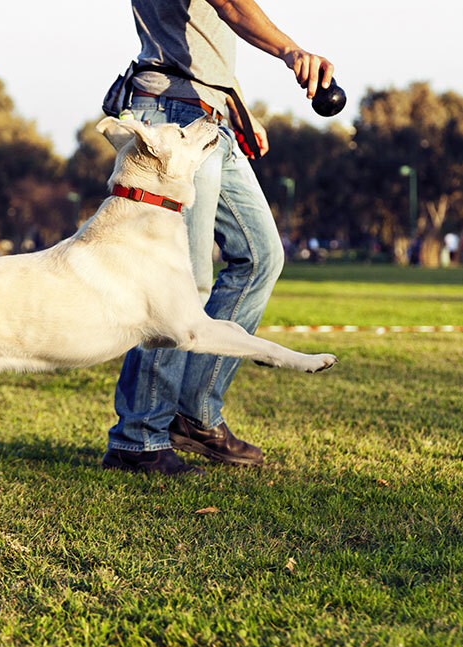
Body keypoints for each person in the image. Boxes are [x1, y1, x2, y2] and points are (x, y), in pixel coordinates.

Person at [101, 0, 336, 476]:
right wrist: (291, 52)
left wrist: (236, 106)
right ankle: (139, 437)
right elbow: (230, 5)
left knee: (260, 256)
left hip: (210, 116)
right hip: (174, 118)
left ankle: (194, 415)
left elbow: (201, 40)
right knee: (180, 286)